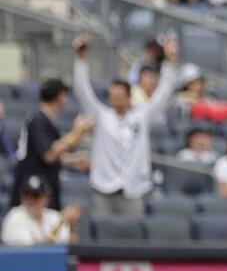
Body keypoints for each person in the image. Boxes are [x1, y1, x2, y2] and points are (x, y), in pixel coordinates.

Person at [73, 33, 179, 216]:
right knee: (103, 236)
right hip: (103, 188)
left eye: (120, 96)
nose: (116, 99)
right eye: (113, 96)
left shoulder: (141, 115)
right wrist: (80, 59)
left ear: (129, 97)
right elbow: (83, 91)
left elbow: (162, 95)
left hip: (134, 190)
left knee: (132, 240)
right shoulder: (101, 115)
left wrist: (169, 62)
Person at [10, 78, 91, 210]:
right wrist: (76, 133)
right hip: (34, 191)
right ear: (59, 96)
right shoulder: (38, 120)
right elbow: (48, 155)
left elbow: (48, 153)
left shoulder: (45, 120)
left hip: (45, 186)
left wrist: (72, 161)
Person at [1, 176, 81, 246]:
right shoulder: (15, 217)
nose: (30, 200)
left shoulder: (53, 216)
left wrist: (71, 225)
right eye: (26, 194)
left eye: (36, 195)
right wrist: (59, 224)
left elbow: (71, 245)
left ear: (46, 199)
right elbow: (36, 252)